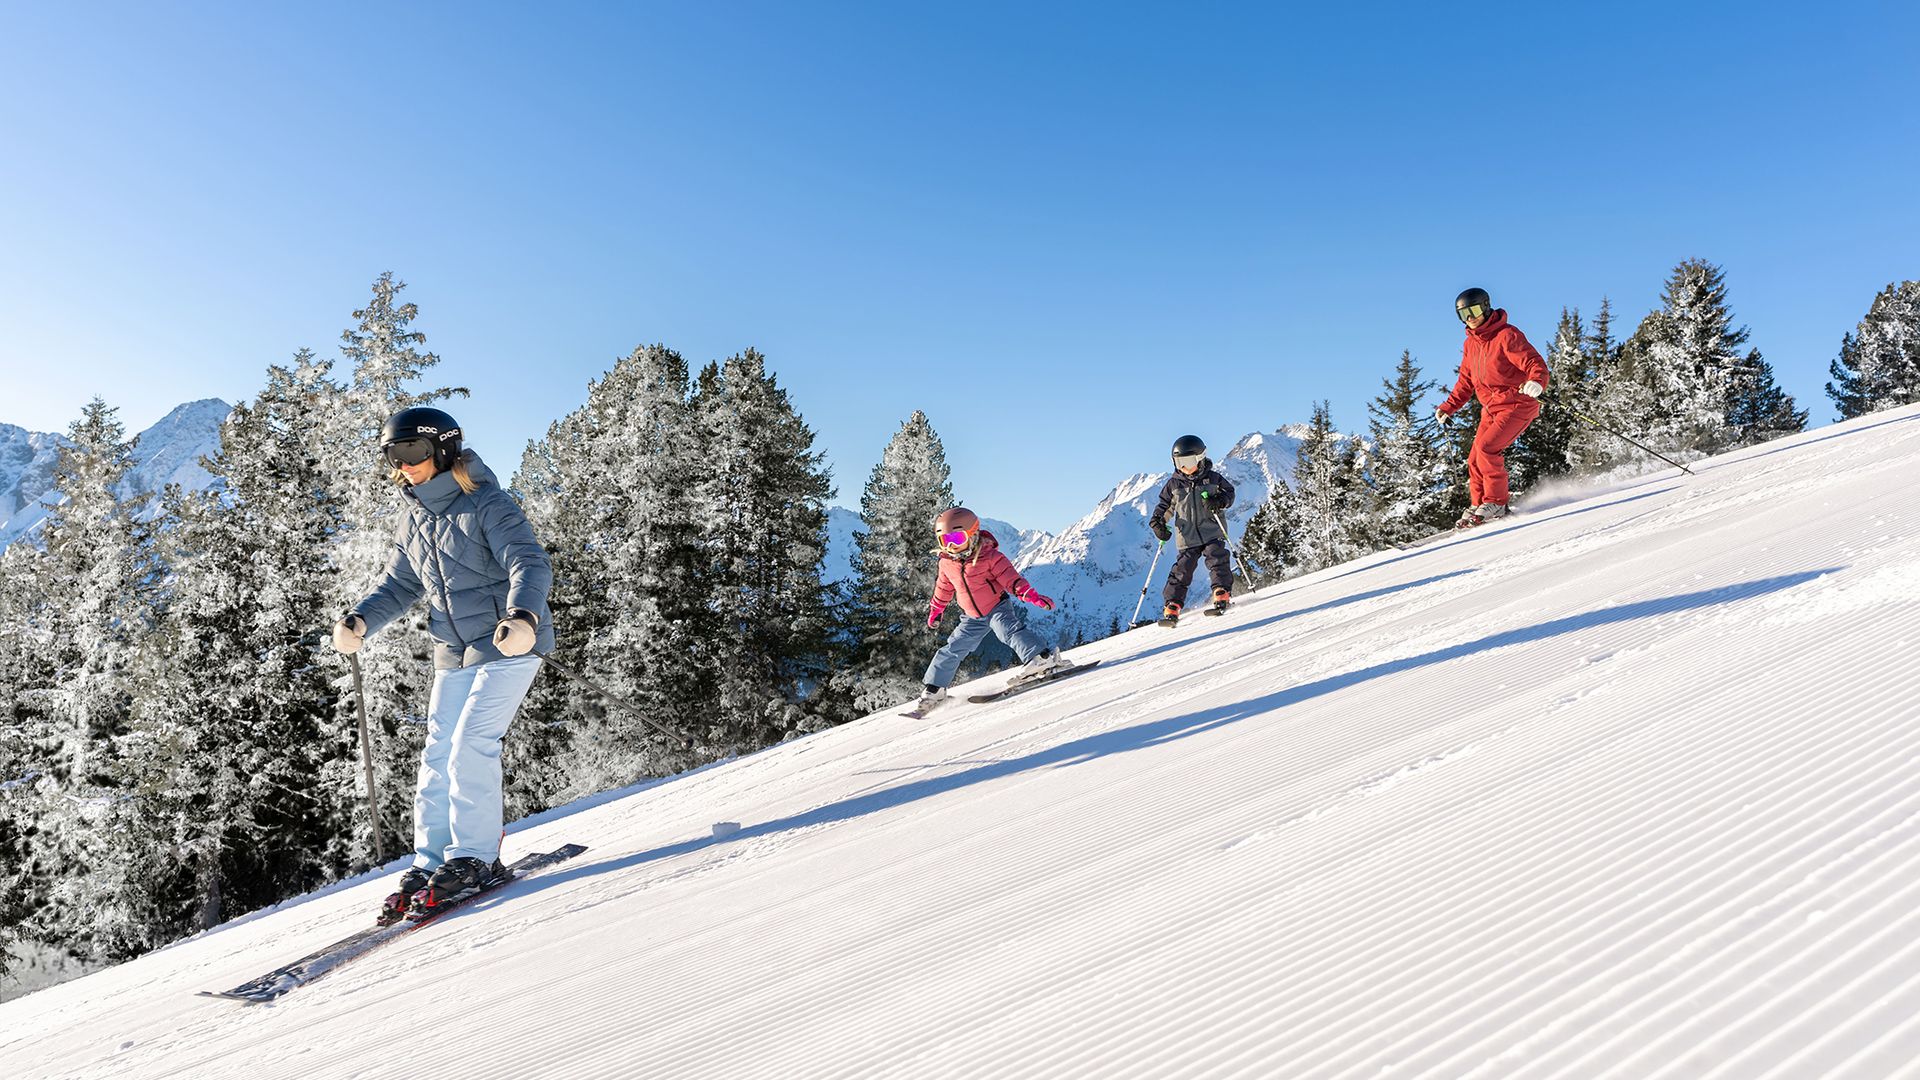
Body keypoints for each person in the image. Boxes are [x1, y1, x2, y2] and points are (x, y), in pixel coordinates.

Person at [331, 406, 555, 923]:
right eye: (393, 454)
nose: (403, 464)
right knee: (437, 755)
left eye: (412, 451)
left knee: (470, 743)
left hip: (508, 642)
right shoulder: (414, 516)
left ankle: (474, 858)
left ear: (444, 449)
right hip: (453, 652)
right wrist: (361, 619)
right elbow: (401, 584)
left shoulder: (486, 503)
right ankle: (431, 863)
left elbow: (528, 560)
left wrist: (523, 615)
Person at [913, 507, 1067, 714]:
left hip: (996, 607)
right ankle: (935, 688)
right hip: (971, 616)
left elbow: (1012, 581)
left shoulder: (991, 557)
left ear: (973, 533)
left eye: (956, 539)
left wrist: (1031, 595)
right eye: (944, 541)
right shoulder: (946, 563)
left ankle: (1041, 658)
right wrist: (936, 609)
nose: (950, 546)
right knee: (953, 647)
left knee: (1008, 631)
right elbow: (943, 588)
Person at [1436, 287, 1550, 528]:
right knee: (1475, 457)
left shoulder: (1507, 335)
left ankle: (1496, 503)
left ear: (1486, 307)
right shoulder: (1471, 344)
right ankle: (1479, 505)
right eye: (1463, 314)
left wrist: (1536, 382)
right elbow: (1466, 382)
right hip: (1491, 408)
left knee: (1488, 448)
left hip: (1517, 404)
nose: (1469, 318)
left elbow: (1533, 362)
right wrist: (1448, 407)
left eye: (1474, 310)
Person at [1149, 435, 1236, 625]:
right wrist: (1158, 522)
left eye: (1188, 462)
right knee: (1182, 569)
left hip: (1212, 530)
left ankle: (1221, 591)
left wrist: (1218, 501)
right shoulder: (1174, 485)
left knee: (1217, 558)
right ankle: (1173, 603)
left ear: (1200, 458)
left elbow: (1229, 494)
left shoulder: (1213, 478)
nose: (1184, 468)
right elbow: (1165, 507)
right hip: (1187, 536)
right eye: (1179, 462)